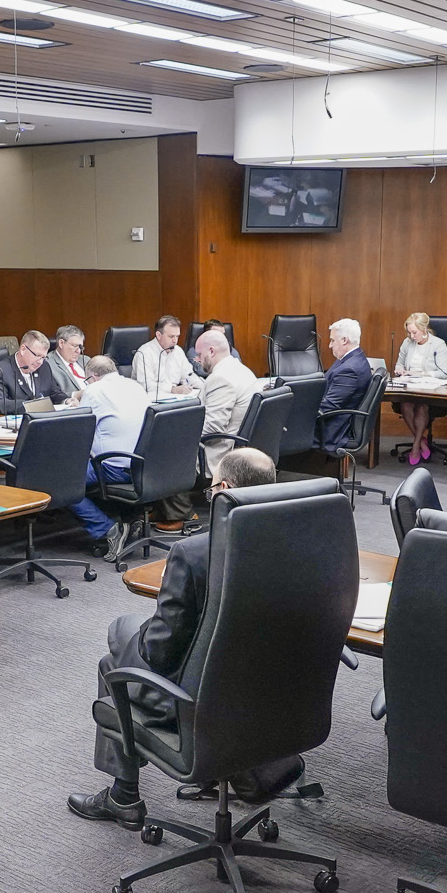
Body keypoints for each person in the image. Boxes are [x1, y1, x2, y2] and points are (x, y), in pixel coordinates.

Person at [66, 447, 291, 827]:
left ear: (222, 489)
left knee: (115, 654)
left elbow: (159, 652)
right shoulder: (299, 538)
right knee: (121, 652)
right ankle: (222, 773)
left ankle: (125, 795)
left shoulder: (194, 554)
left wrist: (127, 635)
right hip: (269, 693)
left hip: (203, 701)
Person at [68, 354, 150, 560]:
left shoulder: (94, 390)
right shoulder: (135, 386)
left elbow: (81, 432)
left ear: (93, 378)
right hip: (144, 467)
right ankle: (131, 518)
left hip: (113, 467)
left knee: (59, 480)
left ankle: (107, 529)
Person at [391, 311, 447, 466]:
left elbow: (443, 374)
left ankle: (416, 446)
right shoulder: (407, 343)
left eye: (414, 332)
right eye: (409, 332)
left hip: (430, 390)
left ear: (424, 329)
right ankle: (422, 441)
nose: (411, 336)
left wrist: (420, 373)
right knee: (405, 404)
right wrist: (400, 370)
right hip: (409, 387)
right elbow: (399, 363)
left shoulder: (438, 344)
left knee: (422, 406)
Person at [194, 326, 256, 448]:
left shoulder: (221, 378)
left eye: (200, 355)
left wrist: (180, 432)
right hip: (243, 451)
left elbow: (212, 429)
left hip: (219, 456)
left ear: (211, 351)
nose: (198, 360)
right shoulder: (243, 370)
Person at [316, 317, 372, 452]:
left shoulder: (349, 369)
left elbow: (329, 407)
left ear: (344, 340)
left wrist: (299, 411)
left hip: (331, 430)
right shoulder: (353, 358)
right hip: (332, 422)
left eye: (332, 340)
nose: (330, 345)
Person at [0, 330, 68, 415]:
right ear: (23, 349)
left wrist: (66, 400)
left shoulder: (44, 366)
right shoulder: (0, 371)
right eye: (37, 356)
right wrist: (30, 406)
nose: (40, 362)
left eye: (44, 357)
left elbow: (54, 392)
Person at [131, 314, 199, 397]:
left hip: (174, 399)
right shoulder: (144, 353)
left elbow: (189, 376)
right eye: (171, 336)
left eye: (177, 336)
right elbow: (147, 385)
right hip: (150, 401)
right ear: (158, 335)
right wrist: (172, 389)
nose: (175, 341)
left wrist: (205, 387)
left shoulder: (178, 351)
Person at [45, 324, 90, 398]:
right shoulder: (48, 364)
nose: (78, 351)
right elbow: (52, 395)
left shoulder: (86, 360)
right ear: (61, 343)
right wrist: (77, 395)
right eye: (75, 346)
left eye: (80, 347)